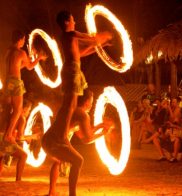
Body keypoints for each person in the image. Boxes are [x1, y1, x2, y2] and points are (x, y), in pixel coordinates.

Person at [41, 11, 112, 196]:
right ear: (67, 22)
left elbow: (81, 52)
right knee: (71, 104)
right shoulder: (70, 34)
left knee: (70, 105)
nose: (75, 20)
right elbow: (91, 39)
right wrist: (105, 36)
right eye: (73, 19)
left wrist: (98, 45)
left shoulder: (68, 39)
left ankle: (53, 191)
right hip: (72, 71)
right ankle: (70, 193)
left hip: (74, 68)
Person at [43, 89, 113, 196]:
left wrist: (100, 127)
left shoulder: (73, 111)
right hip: (55, 143)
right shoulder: (83, 114)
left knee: (59, 161)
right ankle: (72, 194)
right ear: (87, 102)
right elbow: (88, 139)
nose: (92, 104)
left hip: (47, 141)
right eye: (92, 101)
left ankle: (51, 192)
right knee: (78, 161)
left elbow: (83, 136)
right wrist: (103, 133)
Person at [2, 30, 46, 144]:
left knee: (7, 109)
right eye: (24, 39)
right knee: (18, 110)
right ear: (20, 39)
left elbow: (16, 67)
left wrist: (31, 57)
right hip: (16, 83)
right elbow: (30, 66)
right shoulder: (21, 53)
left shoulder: (9, 51)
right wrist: (39, 57)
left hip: (7, 82)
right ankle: (8, 134)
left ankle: (4, 132)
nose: (24, 42)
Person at [0, 99, 33, 181]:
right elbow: (20, 137)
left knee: (2, 155)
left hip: (2, 139)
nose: (28, 112)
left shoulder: (12, 114)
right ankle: (18, 179)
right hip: (4, 141)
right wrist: (31, 137)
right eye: (29, 110)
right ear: (25, 108)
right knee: (23, 155)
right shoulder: (21, 118)